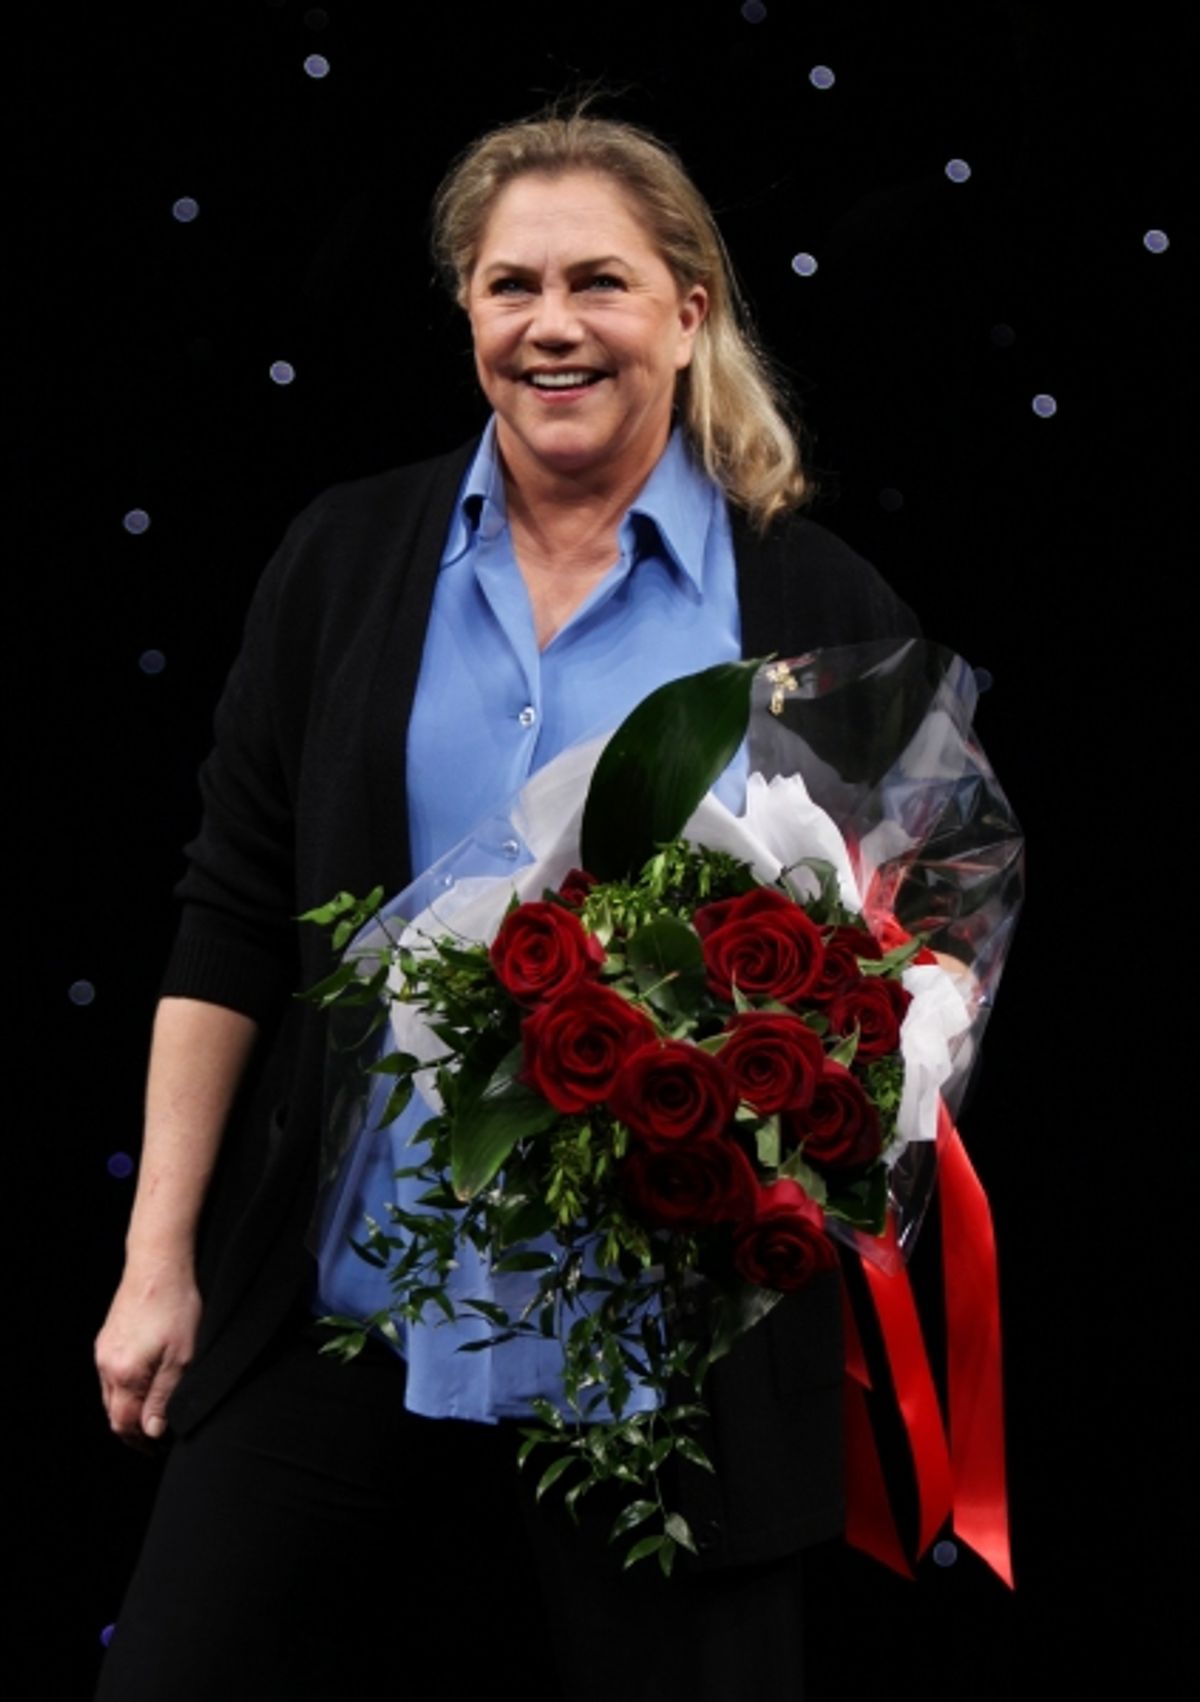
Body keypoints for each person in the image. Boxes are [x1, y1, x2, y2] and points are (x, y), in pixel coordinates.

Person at [93, 107, 920, 1701]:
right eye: (510, 284)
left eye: (598, 281)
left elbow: (905, 966)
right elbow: (230, 914)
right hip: (343, 1306)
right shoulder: (345, 558)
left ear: (688, 310)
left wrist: (794, 1103)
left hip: (663, 1362)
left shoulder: (813, 599)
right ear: (468, 310)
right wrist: (157, 1255)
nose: (552, 324)